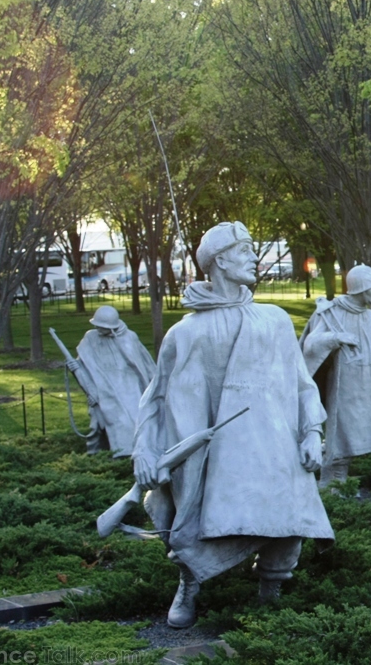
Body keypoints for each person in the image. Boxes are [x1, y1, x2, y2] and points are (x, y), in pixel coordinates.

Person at [131, 221, 332, 629]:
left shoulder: (273, 320)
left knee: (287, 517)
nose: (255, 258)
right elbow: (155, 395)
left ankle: (270, 594)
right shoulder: (185, 333)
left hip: (275, 446)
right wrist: (144, 450)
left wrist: (312, 431)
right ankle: (189, 584)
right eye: (245, 251)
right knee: (199, 522)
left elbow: (300, 384)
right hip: (215, 456)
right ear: (220, 260)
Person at [299, 264, 371, 488]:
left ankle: (340, 487)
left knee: (356, 439)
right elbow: (310, 345)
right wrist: (336, 337)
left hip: (369, 388)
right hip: (344, 387)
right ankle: (332, 485)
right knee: (340, 440)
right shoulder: (330, 312)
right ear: (361, 289)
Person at [66, 306, 155, 457]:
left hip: (128, 385)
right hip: (103, 387)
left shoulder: (129, 337)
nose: (99, 329)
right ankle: (107, 455)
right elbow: (84, 361)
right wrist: (76, 365)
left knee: (132, 420)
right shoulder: (90, 337)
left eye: (103, 327)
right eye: (98, 326)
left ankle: (134, 453)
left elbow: (143, 364)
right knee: (107, 421)